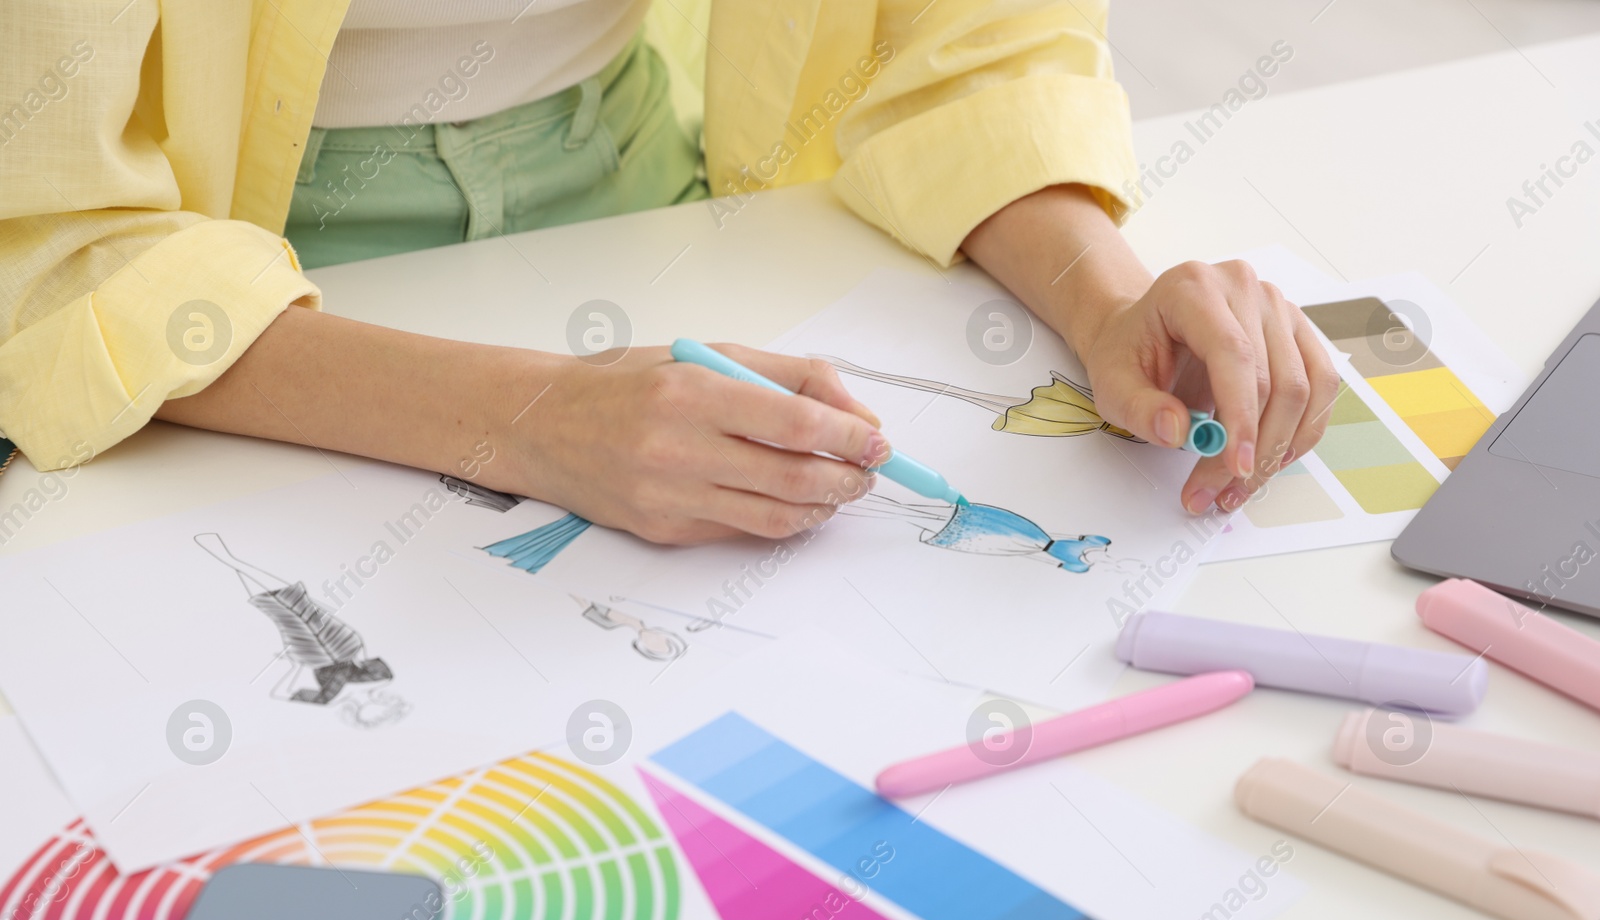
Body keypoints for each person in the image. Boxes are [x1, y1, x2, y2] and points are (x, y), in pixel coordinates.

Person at [1, 1, 1336, 545]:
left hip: (648, 208)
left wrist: (1104, 298)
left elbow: (959, 43)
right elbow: (52, 245)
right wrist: (528, 418)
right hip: (227, 286)